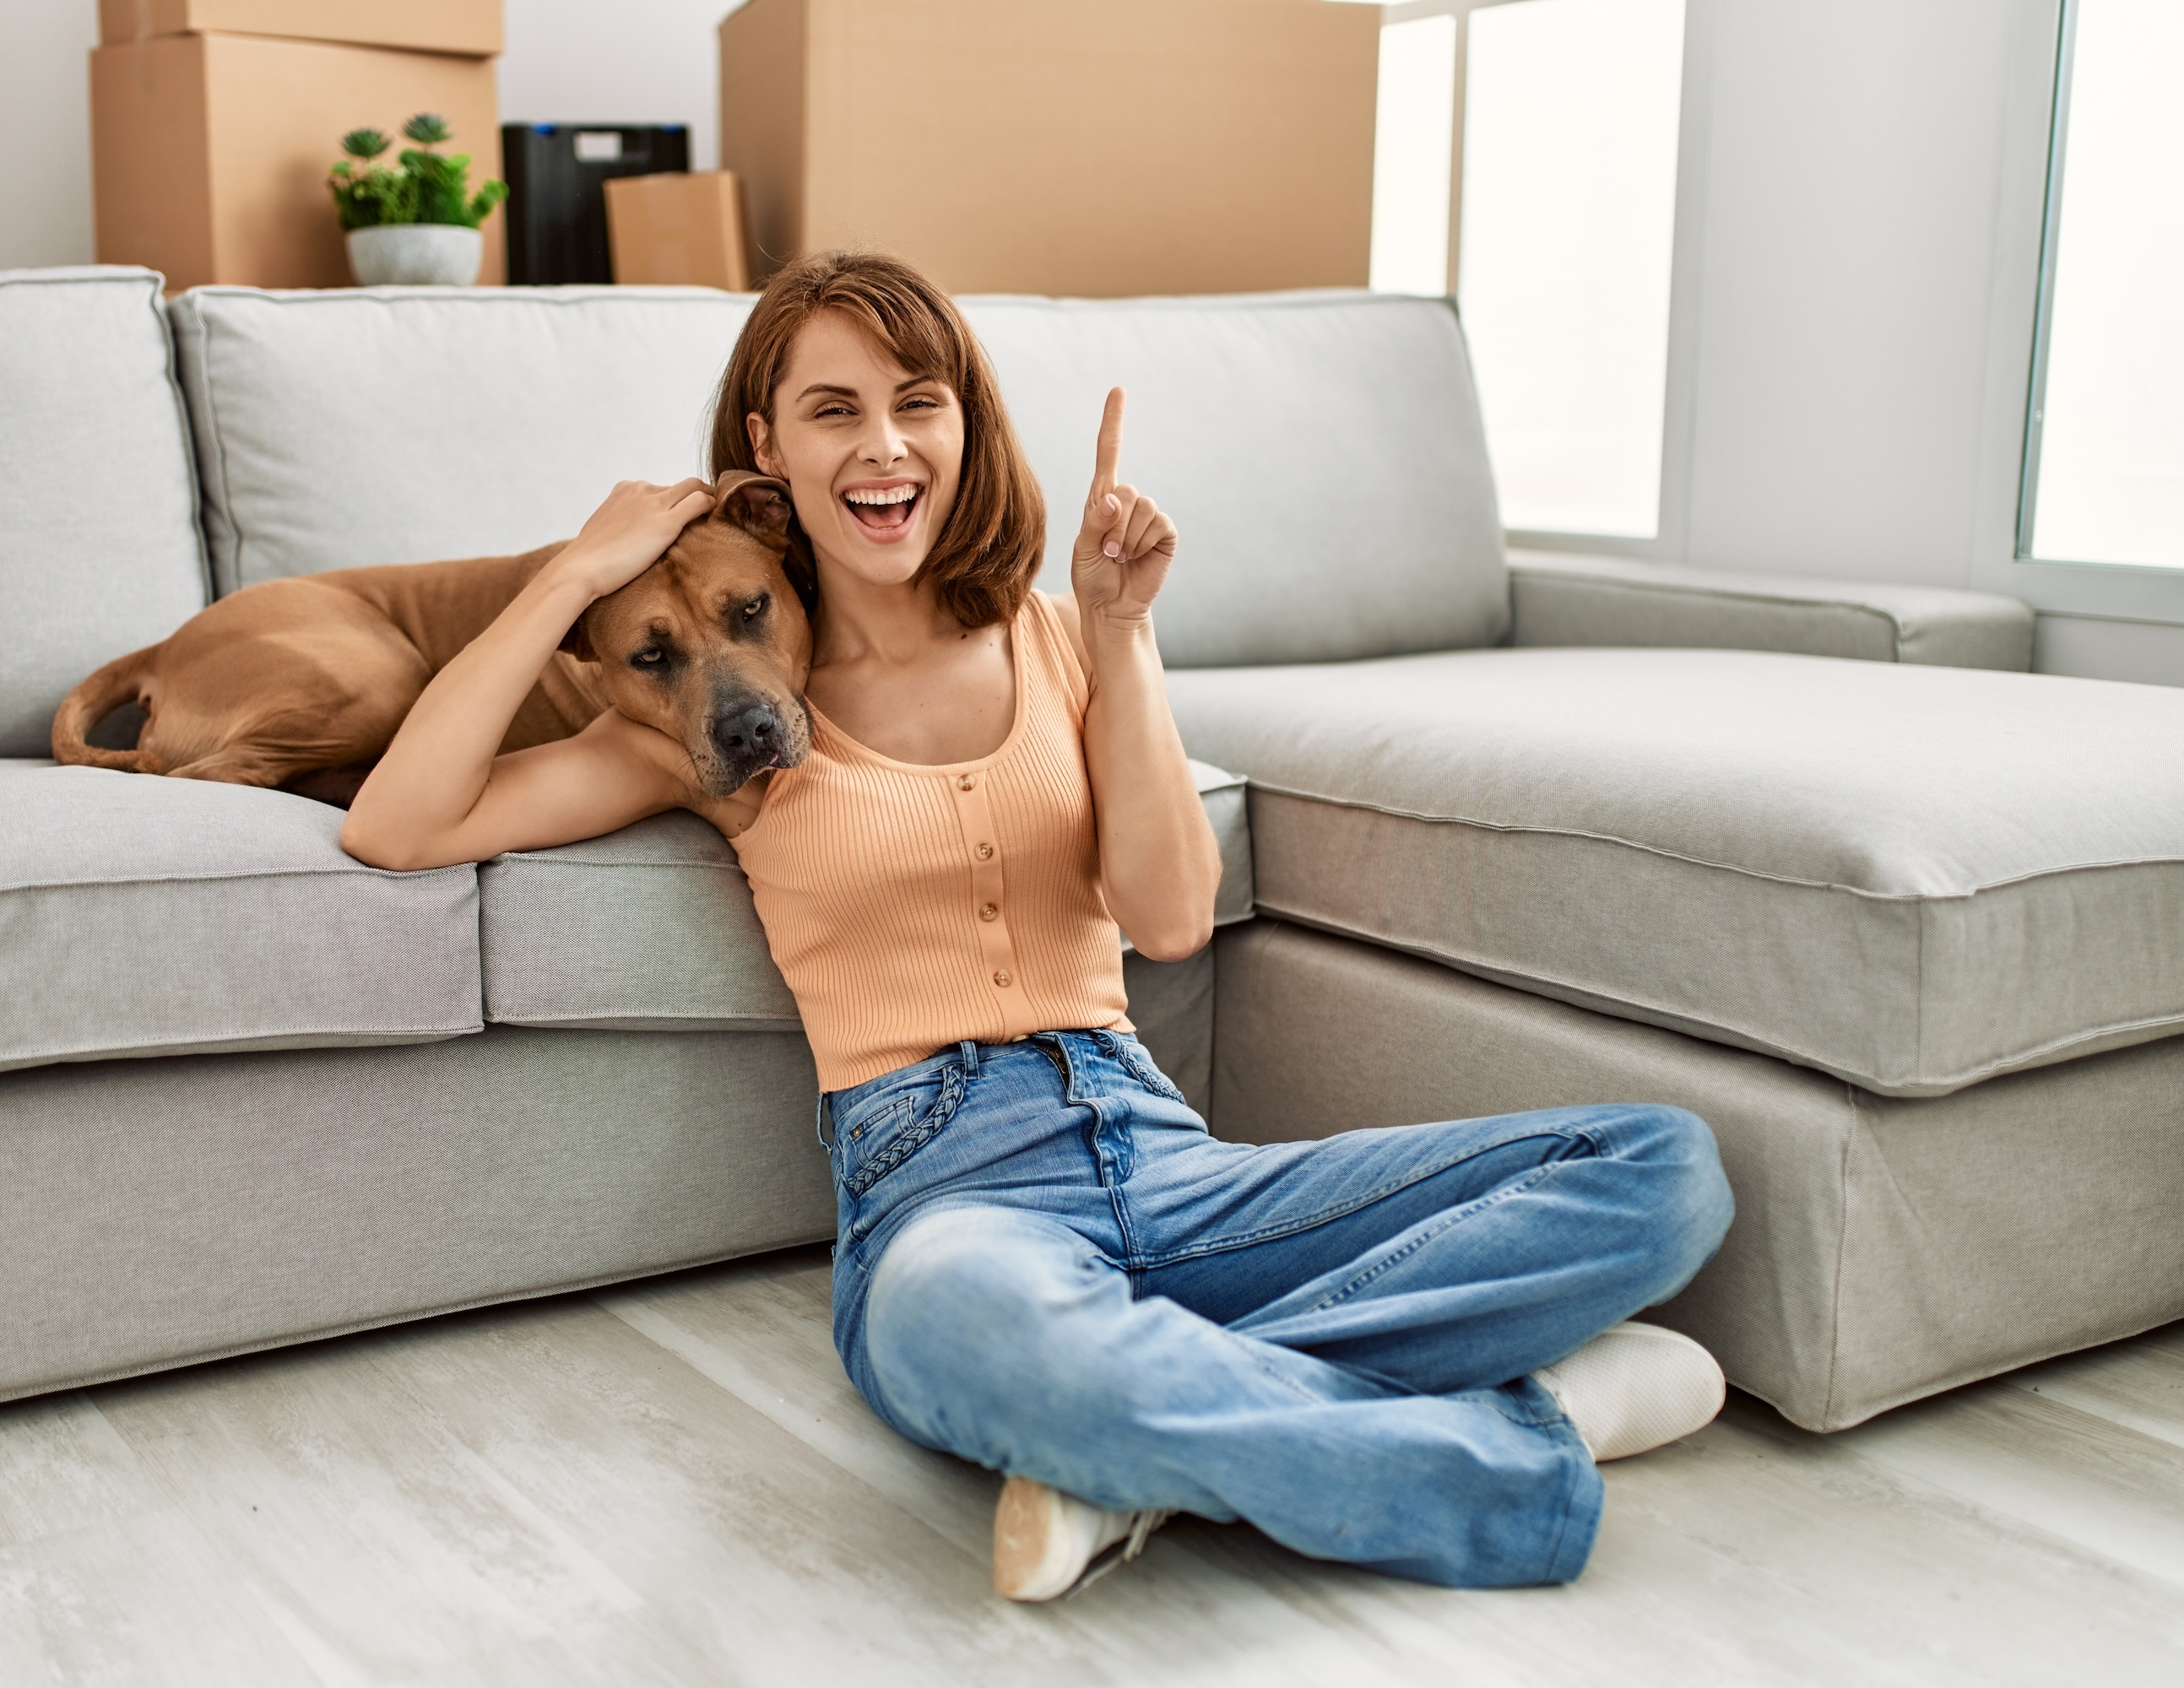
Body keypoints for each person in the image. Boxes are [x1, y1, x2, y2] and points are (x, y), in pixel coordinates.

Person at [342, 251, 1736, 1600]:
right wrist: (572, 575)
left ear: (963, 424)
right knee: (974, 1333)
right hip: (948, 1203)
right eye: (836, 411)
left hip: (1163, 1156)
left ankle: (1128, 1450)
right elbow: (398, 823)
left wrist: (1125, 634)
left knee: (1661, 1167)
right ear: (767, 455)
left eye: (916, 402)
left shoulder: (1066, 633)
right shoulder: (720, 717)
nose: (883, 446)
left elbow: (1174, 914)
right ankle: (1518, 1448)